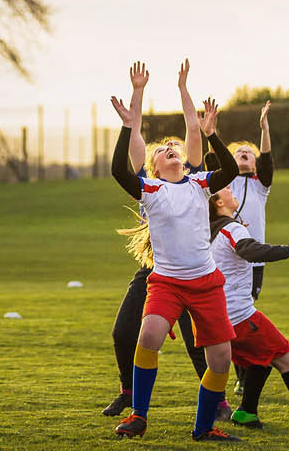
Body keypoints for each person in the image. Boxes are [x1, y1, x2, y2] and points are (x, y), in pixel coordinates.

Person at [110, 62, 244, 441]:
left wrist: (212, 133)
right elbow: (122, 169)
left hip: (205, 283)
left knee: (221, 359)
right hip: (167, 282)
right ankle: (139, 415)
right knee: (147, 334)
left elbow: (229, 168)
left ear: (184, 161)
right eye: (164, 151)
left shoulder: (199, 182)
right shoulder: (150, 191)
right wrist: (128, 117)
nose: (172, 149)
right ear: (152, 168)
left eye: (176, 149)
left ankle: (204, 428)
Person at [206, 186, 289, 431]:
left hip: (219, 319)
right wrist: (288, 250)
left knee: (261, 359)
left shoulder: (212, 232)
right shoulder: (231, 228)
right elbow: (250, 251)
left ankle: (246, 412)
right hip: (240, 316)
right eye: (226, 189)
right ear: (217, 202)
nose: (231, 189)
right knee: (286, 357)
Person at [224, 99, 274, 300]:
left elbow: (267, 159)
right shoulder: (224, 181)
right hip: (226, 255)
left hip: (254, 258)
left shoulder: (260, 185)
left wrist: (265, 130)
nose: (244, 152)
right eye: (239, 151)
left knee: (248, 306)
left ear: (255, 164)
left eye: (249, 153)